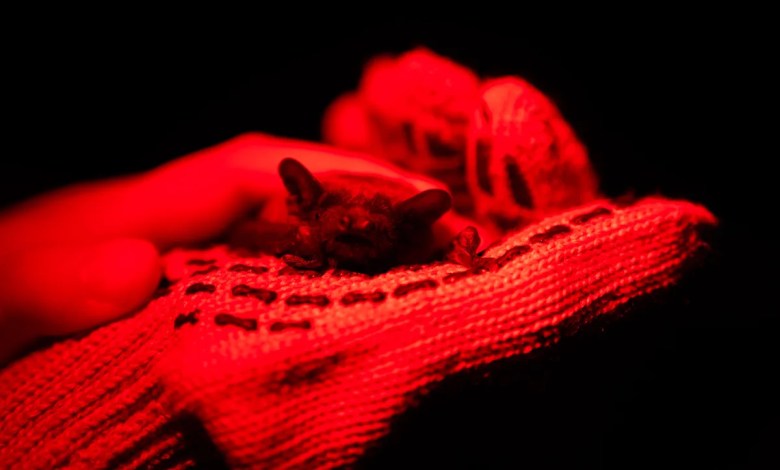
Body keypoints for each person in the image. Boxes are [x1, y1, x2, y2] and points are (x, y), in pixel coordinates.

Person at [0, 132, 491, 365]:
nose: (360, 224)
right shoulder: (287, 229)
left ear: (411, 225)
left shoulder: (415, 243)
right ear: (307, 209)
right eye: (342, 218)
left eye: (378, 222)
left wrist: (459, 251)